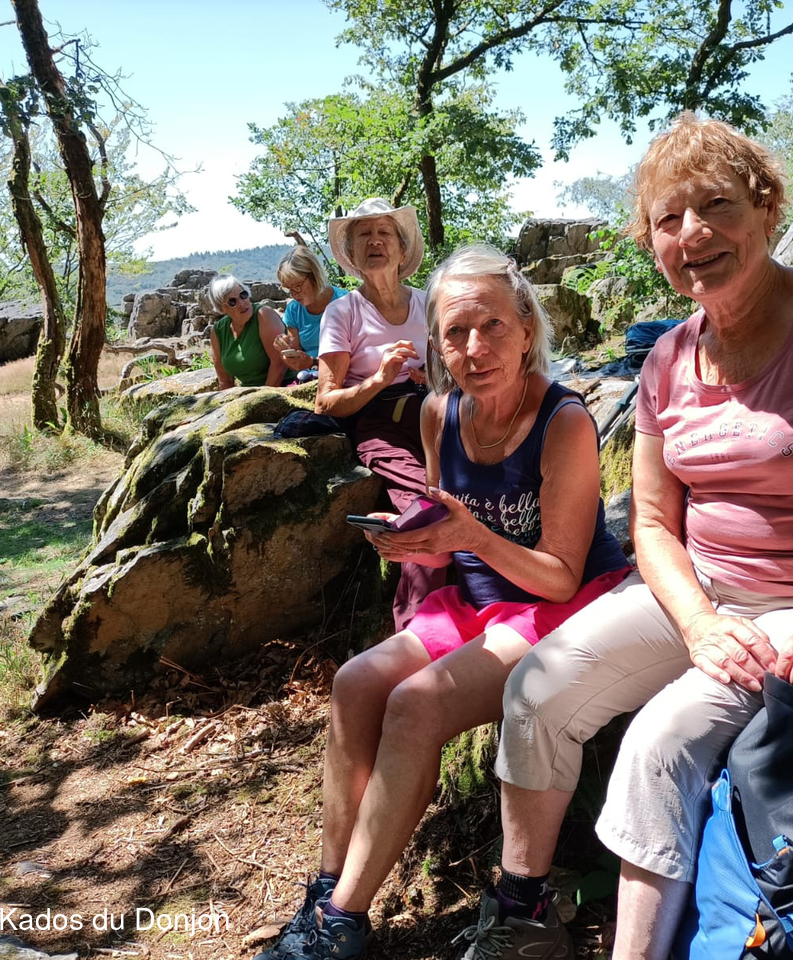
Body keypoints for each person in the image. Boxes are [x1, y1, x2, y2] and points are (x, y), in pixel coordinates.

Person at [455, 114, 793, 960]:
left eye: (715, 206)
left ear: (767, 207)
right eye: (668, 219)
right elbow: (653, 523)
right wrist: (697, 622)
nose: (691, 234)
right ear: (651, 242)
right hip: (702, 592)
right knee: (536, 694)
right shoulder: (666, 360)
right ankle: (524, 912)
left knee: (659, 743)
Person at [258, 244, 631, 960]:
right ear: (436, 343)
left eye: (492, 326)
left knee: (415, 704)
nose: (474, 347)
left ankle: (340, 921)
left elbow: (559, 576)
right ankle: (327, 884)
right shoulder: (439, 413)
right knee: (355, 682)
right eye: (455, 333)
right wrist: (409, 543)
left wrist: (470, 536)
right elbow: (445, 539)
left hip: (562, 603)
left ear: (526, 328)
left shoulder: (564, 420)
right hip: (478, 602)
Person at [312, 197, 442, 630]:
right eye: (363, 235)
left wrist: (432, 377)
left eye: (384, 232)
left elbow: (455, 369)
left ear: (402, 248)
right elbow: (325, 401)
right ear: (351, 252)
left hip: (436, 412)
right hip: (379, 423)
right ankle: (418, 629)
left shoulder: (429, 303)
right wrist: (380, 379)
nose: (375, 241)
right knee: (425, 506)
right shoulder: (343, 311)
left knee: (473, 489)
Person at [274, 246, 347, 380]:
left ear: (314, 276)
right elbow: (295, 362)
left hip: (344, 375)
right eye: (288, 289)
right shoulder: (294, 310)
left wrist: (313, 362)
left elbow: (358, 356)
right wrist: (285, 351)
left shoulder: (345, 302)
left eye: (298, 286)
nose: (294, 294)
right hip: (308, 377)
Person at [208, 274, 289, 388]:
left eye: (243, 295)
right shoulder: (218, 331)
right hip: (248, 393)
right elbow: (224, 380)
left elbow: (279, 364)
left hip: (282, 387)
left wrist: (264, 396)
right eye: (232, 301)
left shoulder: (264, 315)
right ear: (222, 308)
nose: (241, 303)